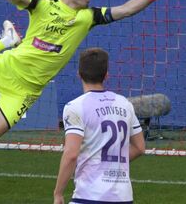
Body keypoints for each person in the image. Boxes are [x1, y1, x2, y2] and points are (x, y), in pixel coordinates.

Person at [0, 0, 181, 142]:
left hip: (26, 91)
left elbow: (127, 9)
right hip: (6, 67)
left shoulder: (89, 17)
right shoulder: (43, 4)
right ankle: (6, 42)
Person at [53, 47, 145, 204]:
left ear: (79, 74)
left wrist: (58, 193)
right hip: (123, 197)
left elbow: (71, 154)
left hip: (89, 195)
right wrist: (110, 163)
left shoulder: (75, 106)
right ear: (106, 75)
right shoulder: (124, 103)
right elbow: (139, 147)